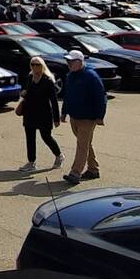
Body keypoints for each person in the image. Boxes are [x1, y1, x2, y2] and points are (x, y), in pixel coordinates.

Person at [59, 52, 105, 187]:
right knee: (85, 144)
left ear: (80, 62)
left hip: (88, 118)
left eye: (71, 62)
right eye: (68, 62)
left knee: (82, 145)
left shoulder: (91, 76)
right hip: (74, 116)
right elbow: (67, 95)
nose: (69, 64)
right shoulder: (71, 76)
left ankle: (75, 173)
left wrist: (100, 116)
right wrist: (64, 113)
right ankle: (93, 169)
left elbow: (101, 97)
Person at [17, 60, 63, 169]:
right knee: (30, 138)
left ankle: (59, 155)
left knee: (46, 136)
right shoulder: (29, 78)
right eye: (32, 64)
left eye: (37, 65)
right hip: (29, 113)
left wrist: (56, 118)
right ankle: (31, 162)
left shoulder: (47, 81)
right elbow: (27, 92)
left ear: (42, 66)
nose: (35, 67)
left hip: (44, 114)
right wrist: (24, 93)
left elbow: (54, 101)